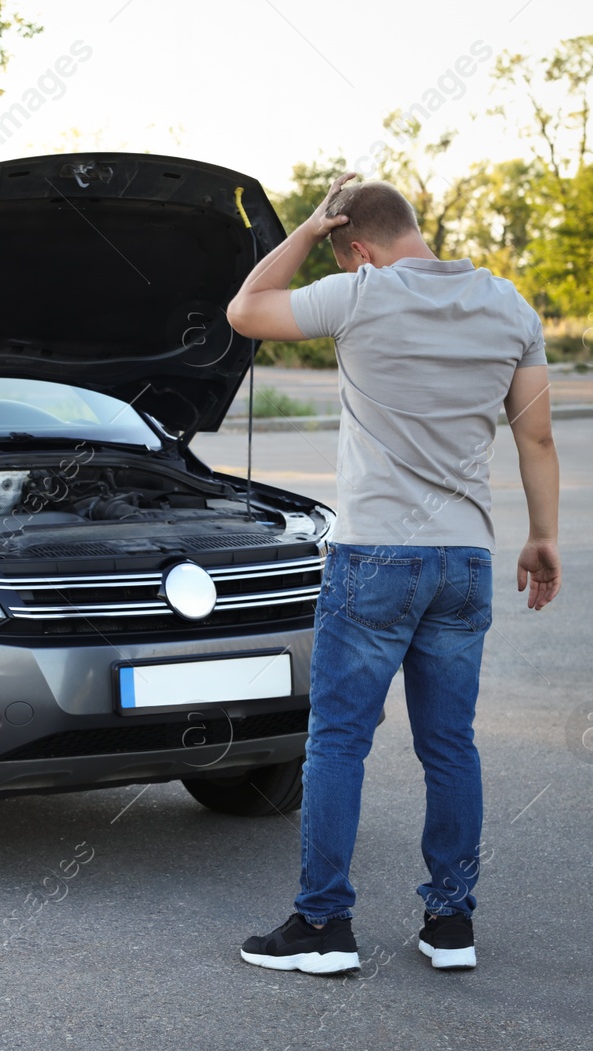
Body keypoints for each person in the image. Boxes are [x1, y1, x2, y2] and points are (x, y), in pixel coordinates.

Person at [225, 173, 562, 975]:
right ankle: (450, 923)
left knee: (339, 742)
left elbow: (245, 311)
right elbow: (537, 440)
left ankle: (323, 926)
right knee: (451, 746)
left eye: (342, 248)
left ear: (357, 246)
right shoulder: (510, 306)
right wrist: (544, 538)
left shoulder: (358, 293)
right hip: (465, 559)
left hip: (374, 554)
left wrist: (304, 231)